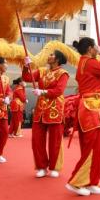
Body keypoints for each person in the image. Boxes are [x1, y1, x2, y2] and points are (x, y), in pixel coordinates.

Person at [66, 38, 100, 196]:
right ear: (90, 49)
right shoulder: (89, 63)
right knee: (91, 147)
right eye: (96, 47)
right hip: (91, 109)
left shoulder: (85, 62)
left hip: (94, 107)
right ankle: (76, 182)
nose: (98, 49)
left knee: (97, 148)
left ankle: (92, 181)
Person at [23, 50, 69, 178]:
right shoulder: (42, 71)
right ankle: (42, 166)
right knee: (37, 139)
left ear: (58, 59)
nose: (49, 56)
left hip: (55, 109)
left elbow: (59, 90)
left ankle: (54, 167)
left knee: (55, 140)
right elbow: (27, 78)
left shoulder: (63, 73)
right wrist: (26, 66)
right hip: (41, 109)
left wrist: (42, 92)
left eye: (52, 55)